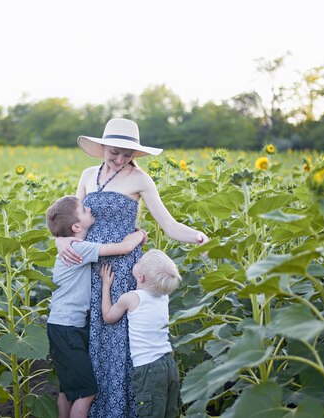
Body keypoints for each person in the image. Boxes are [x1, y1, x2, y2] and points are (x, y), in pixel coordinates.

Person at [55, 118, 209, 418]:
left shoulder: (141, 180)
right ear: (102, 147)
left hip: (125, 269)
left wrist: (199, 238)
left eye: (127, 154)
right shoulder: (88, 175)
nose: (120, 159)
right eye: (114, 152)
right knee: (91, 335)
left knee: (120, 337)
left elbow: (168, 224)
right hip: (90, 265)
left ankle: (122, 410)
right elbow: (74, 222)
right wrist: (63, 243)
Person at [46, 195, 147, 418]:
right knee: (86, 393)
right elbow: (124, 247)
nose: (89, 207)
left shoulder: (69, 245)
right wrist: (140, 233)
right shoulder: (79, 247)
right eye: (84, 209)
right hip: (68, 328)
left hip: (59, 325)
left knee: (67, 389)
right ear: (76, 226)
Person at [100, 249, 181, 418]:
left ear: (141, 277)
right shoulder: (164, 297)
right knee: (169, 412)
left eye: (139, 262)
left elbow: (108, 317)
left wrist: (106, 285)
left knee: (150, 413)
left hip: (149, 368)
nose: (136, 261)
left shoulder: (131, 298)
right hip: (168, 364)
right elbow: (159, 270)